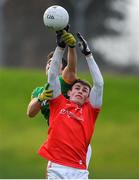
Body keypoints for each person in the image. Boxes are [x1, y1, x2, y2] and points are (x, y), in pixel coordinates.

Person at [37, 32, 104, 179]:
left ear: (88, 97)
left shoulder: (90, 111)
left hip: (79, 170)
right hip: (57, 167)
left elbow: (99, 84)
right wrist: (60, 47)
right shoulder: (58, 102)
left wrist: (88, 55)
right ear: (68, 93)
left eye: (85, 90)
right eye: (77, 88)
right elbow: (52, 76)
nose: (80, 91)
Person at [27, 30, 92, 168]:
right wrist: (40, 98)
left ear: (62, 69)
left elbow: (72, 67)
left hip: (76, 138)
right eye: (48, 62)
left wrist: (71, 47)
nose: (50, 64)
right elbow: (30, 113)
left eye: (54, 62)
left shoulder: (64, 81)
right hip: (59, 142)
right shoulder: (39, 91)